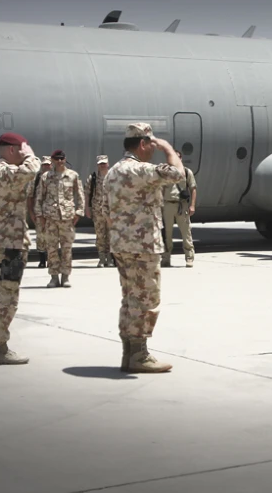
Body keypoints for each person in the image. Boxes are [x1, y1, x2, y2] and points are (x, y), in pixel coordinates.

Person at [103, 122, 184, 373]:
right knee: (146, 298)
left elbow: (106, 212)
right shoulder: (140, 169)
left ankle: (130, 354)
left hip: (121, 244)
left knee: (130, 298)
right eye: (152, 144)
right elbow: (177, 174)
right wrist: (169, 148)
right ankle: (139, 355)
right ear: (142, 144)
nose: (154, 148)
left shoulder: (113, 172)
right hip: (143, 245)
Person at [0, 132, 40, 365]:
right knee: (5, 297)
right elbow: (31, 170)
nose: (24, 153)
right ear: (13, 150)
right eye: (21, 149)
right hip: (8, 244)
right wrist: (31, 155)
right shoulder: (4, 171)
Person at [34, 149, 84, 288]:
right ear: (52, 160)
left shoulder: (73, 176)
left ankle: (65, 276)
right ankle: (54, 277)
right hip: (50, 218)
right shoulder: (46, 177)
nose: (60, 161)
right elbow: (39, 197)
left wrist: (79, 212)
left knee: (67, 249)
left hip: (67, 218)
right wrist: (40, 216)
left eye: (62, 158)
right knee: (51, 249)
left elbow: (80, 195)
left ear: (65, 159)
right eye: (57, 159)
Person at [161, 150, 197, 268]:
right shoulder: (165, 173)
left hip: (182, 206)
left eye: (178, 157)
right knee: (167, 234)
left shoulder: (187, 172)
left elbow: (193, 188)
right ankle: (166, 259)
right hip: (168, 205)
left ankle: (189, 258)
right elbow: (160, 189)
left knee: (186, 233)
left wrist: (192, 205)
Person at [85, 155, 113, 268]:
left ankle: (110, 258)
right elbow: (87, 193)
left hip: (111, 211)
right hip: (98, 211)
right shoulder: (93, 178)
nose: (103, 165)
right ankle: (102, 258)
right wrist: (87, 208)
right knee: (100, 235)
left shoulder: (113, 177)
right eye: (100, 163)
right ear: (97, 164)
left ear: (108, 164)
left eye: (104, 163)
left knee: (111, 235)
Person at [27, 156, 52, 268]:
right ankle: (42, 260)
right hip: (39, 212)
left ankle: (52, 259)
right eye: (44, 165)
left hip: (52, 212)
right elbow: (30, 197)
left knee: (53, 237)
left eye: (48, 164)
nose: (46, 167)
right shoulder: (35, 179)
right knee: (40, 237)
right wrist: (31, 213)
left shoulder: (55, 178)